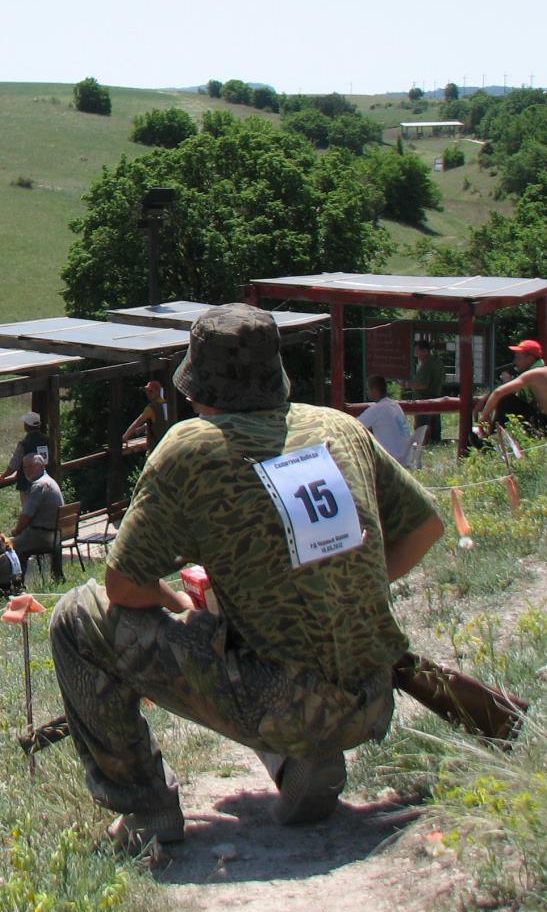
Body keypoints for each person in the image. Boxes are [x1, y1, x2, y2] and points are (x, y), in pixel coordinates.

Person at [47, 303, 522, 851]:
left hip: (284, 705)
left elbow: (123, 588)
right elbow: (426, 527)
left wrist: (183, 605)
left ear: (197, 384)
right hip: (371, 695)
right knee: (246, 621)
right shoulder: (339, 428)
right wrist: (348, 596)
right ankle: (297, 763)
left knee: (76, 617)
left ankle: (146, 809)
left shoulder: (190, 446)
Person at [478, 339, 547, 437]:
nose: (514, 361)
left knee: (506, 399)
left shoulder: (536, 373)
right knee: (508, 399)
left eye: (517, 357)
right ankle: (496, 436)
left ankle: (492, 440)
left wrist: (483, 417)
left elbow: (499, 392)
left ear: (529, 358)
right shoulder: (544, 371)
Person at [10, 452, 64, 573]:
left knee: (8, 547)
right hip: (55, 535)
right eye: (25, 467)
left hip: (42, 536)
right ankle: (57, 575)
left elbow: (26, 516)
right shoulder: (50, 481)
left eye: (31, 466)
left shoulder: (39, 486)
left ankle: (16, 581)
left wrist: (16, 532)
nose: (27, 471)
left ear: (41, 466)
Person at [357, 375, 415, 466]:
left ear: (374, 390)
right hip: (407, 458)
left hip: (393, 461)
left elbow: (354, 425)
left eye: (368, 389)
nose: (367, 392)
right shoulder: (395, 405)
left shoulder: (377, 409)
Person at [0, 412, 50, 496]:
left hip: (27, 485)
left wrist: (2, 476)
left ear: (27, 425)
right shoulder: (47, 439)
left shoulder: (24, 443)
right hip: (46, 482)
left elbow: (14, 466)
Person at [406, 338, 447, 445]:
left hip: (424, 402)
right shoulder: (438, 363)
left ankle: (423, 447)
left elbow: (423, 384)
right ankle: (435, 445)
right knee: (435, 433)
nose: (416, 354)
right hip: (436, 399)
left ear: (425, 351)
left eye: (417, 351)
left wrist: (407, 385)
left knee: (422, 430)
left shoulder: (427, 365)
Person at [122, 380, 170, 445]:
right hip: (169, 442)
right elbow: (162, 422)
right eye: (147, 391)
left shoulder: (151, 407)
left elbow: (137, 422)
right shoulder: (167, 405)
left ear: (158, 392)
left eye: (151, 391)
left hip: (157, 445)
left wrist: (125, 436)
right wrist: (143, 427)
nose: (148, 393)